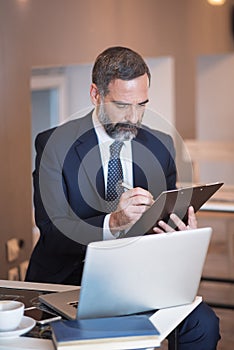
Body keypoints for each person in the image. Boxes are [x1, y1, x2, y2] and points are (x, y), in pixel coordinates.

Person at [26, 46, 220, 349]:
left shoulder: (161, 145)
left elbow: (163, 224)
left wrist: (182, 237)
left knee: (203, 325)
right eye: (121, 105)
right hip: (70, 277)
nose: (134, 117)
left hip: (138, 278)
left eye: (142, 105)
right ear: (95, 94)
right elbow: (52, 230)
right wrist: (113, 223)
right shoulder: (54, 144)